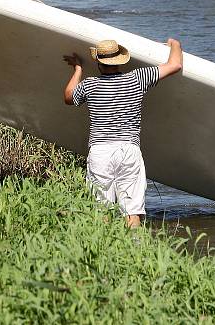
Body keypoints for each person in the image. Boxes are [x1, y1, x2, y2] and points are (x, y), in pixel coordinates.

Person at [63, 38, 183, 228]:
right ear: (120, 60)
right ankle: (134, 251)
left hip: (100, 152)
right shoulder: (137, 78)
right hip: (128, 150)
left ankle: (104, 249)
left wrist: (78, 69)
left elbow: (69, 96)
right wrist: (174, 43)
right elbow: (175, 64)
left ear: (98, 62)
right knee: (132, 210)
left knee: (101, 208)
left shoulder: (90, 85)